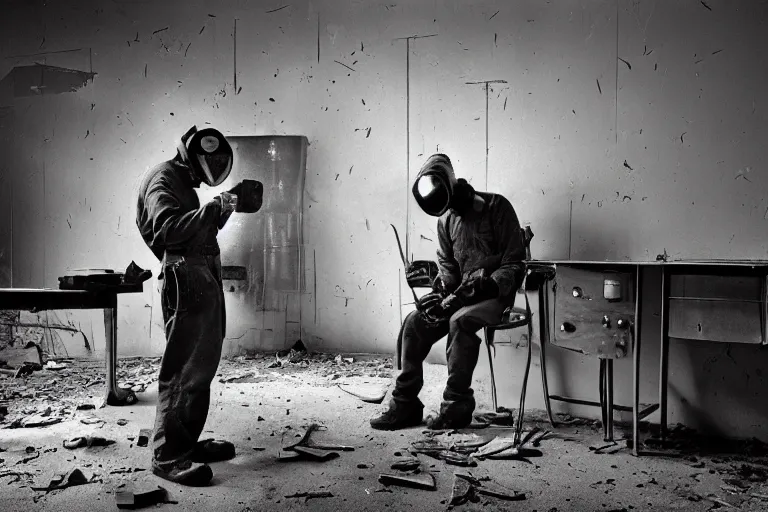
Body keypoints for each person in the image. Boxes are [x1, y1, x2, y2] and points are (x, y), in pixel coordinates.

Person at [136, 125, 263, 486]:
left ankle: (185, 443)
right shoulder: (163, 179)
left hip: (201, 274)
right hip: (185, 277)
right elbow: (166, 231)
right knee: (184, 367)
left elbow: (194, 230)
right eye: (208, 162)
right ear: (190, 155)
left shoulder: (182, 183)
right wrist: (213, 208)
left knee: (200, 367)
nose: (211, 170)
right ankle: (168, 455)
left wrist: (225, 206)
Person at [370, 153, 527, 431]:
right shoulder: (446, 222)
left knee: (460, 321)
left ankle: (456, 407)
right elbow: (448, 274)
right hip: (462, 295)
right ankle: (405, 404)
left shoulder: (497, 207)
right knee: (414, 323)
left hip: (495, 296)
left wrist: (488, 283)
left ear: (452, 183)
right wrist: (438, 293)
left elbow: (515, 264)